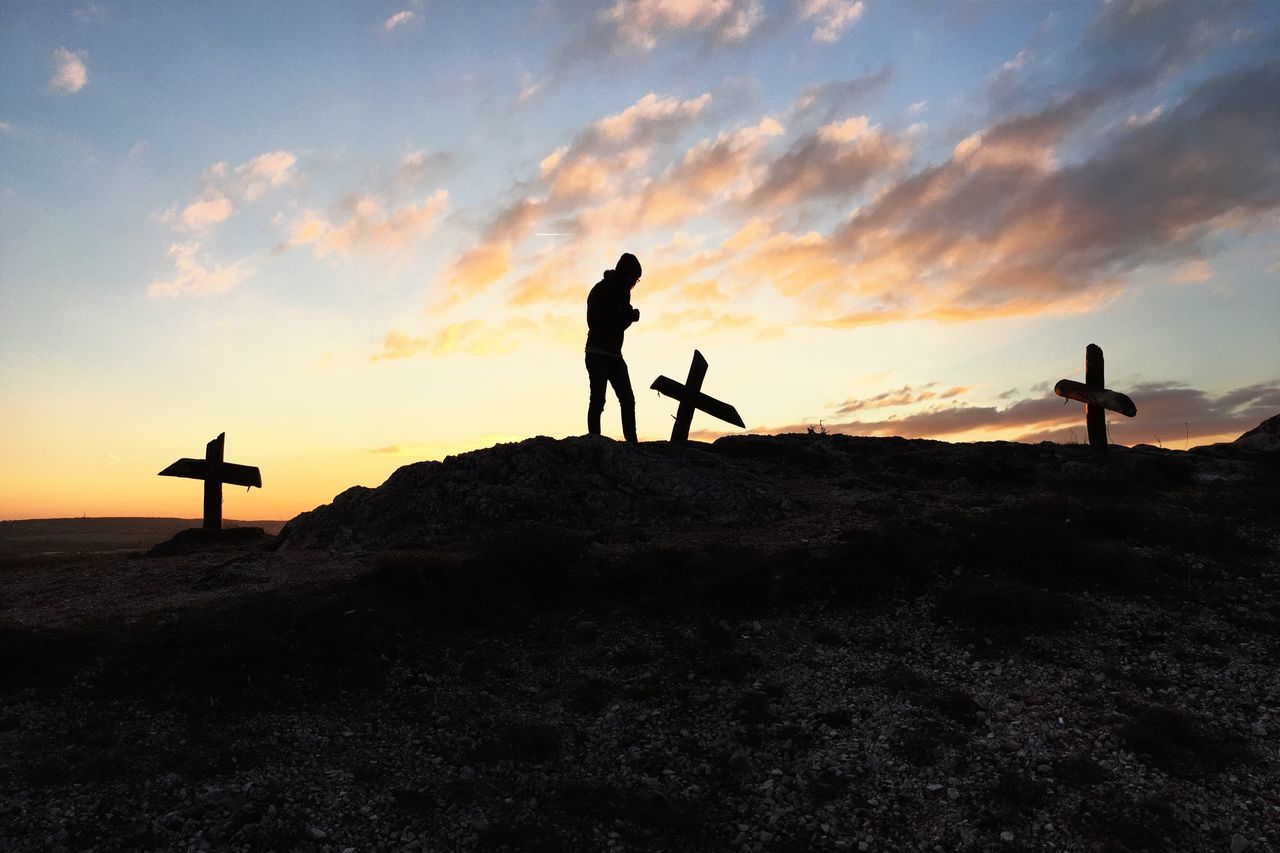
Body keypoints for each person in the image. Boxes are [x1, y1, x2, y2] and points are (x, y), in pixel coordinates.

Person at [585, 252, 642, 443]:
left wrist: (629, 318)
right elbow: (594, 323)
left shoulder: (623, 293)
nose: (634, 283)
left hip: (615, 355)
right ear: (625, 274)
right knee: (598, 400)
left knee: (627, 399)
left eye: (636, 280)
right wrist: (627, 318)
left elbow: (619, 323)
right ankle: (595, 442)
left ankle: (631, 442)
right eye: (633, 278)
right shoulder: (601, 290)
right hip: (597, 353)